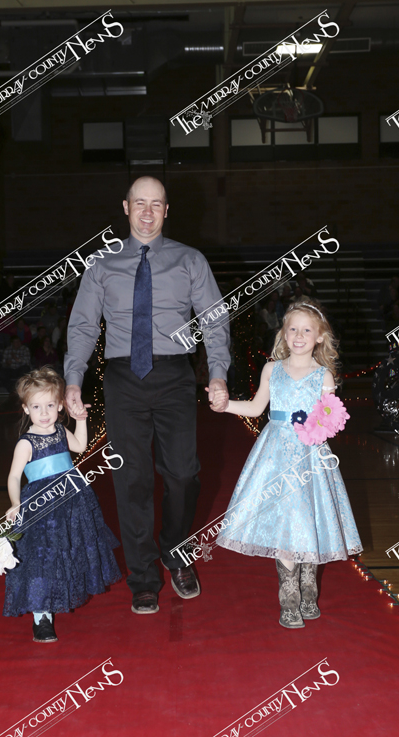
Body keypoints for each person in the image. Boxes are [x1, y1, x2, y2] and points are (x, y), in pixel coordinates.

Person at [64, 176, 230, 615]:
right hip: (123, 378)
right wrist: (73, 379)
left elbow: (214, 320)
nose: (147, 212)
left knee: (184, 475)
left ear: (167, 210)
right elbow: (83, 325)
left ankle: (175, 549)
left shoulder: (190, 260)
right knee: (131, 480)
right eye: (140, 203)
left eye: (156, 204)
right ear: (125, 207)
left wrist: (218, 374)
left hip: (175, 375)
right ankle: (143, 577)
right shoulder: (101, 265)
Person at [211, 298, 362, 629]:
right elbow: (256, 408)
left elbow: (332, 417)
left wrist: (318, 429)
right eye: (292, 329)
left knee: (309, 517)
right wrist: (226, 406)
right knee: (285, 519)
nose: (299, 335)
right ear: (283, 333)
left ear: (319, 336)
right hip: (275, 453)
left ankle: (309, 583)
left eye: (307, 330)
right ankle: (289, 598)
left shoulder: (323, 376)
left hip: (310, 455)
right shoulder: (272, 369)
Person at [3, 367, 121, 642]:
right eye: (36, 407)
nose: (44, 413)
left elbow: (79, 446)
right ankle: (41, 616)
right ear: (26, 409)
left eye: (49, 405)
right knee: (42, 557)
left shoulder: (59, 430)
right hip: (42, 507)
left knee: (71, 548)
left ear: (59, 406)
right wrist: (15, 503)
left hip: (72, 500)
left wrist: (80, 420)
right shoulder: (26, 443)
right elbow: (13, 476)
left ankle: (65, 591)